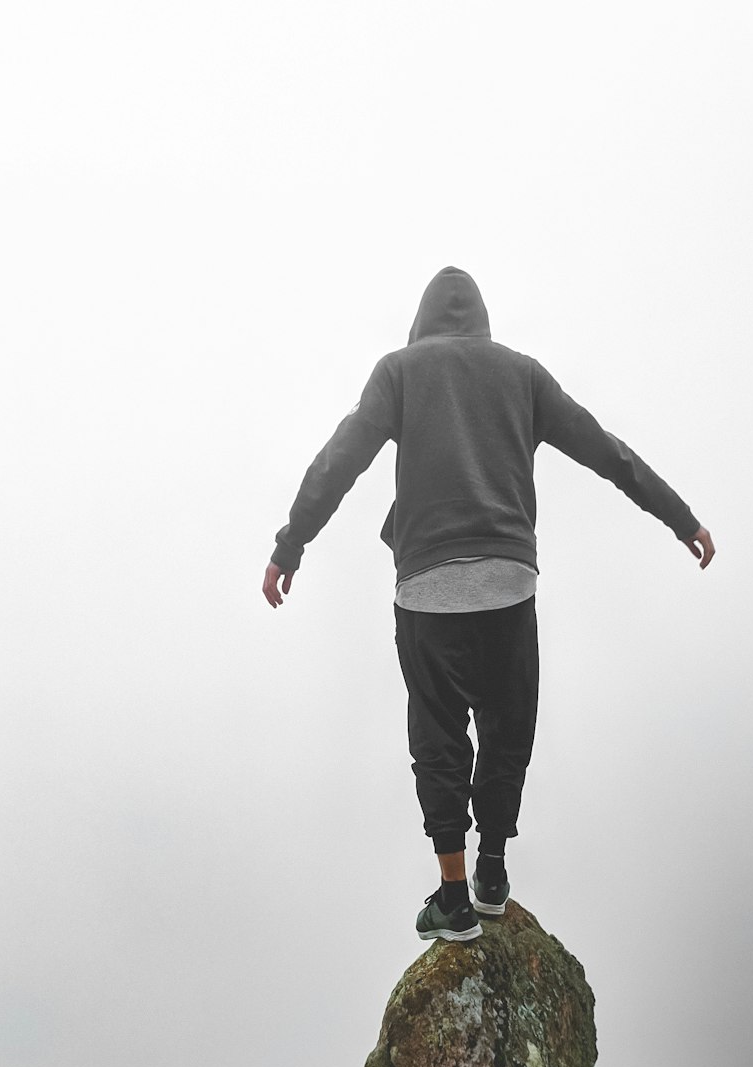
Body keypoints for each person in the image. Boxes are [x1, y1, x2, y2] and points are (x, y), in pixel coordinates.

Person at [263, 267, 715, 942]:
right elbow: (607, 452)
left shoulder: (399, 372)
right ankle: (493, 871)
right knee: (508, 726)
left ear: (421, 323)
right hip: (508, 580)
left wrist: (289, 546)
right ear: (483, 321)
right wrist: (682, 519)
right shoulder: (521, 374)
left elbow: (340, 460)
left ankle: (453, 894)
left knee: (438, 734)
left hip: (427, 587)